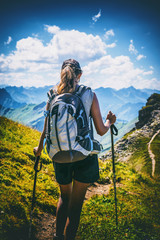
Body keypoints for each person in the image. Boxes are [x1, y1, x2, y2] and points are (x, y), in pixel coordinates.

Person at [34, 59, 116, 240]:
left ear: (62, 73)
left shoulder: (52, 94)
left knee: (64, 197)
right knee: (76, 205)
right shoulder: (89, 94)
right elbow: (101, 130)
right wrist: (111, 121)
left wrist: (39, 149)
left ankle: (57, 236)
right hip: (84, 156)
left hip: (59, 155)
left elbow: (47, 128)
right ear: (80, 75)